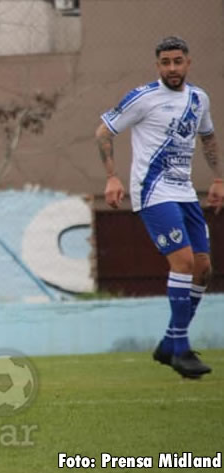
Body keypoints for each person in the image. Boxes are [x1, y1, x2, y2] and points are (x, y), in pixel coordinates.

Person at [96, 36, 222, 379]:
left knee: (203, 269)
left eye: (177, 61)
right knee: (182, 262)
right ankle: (180, 348)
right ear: (158, 66)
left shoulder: (199, 99)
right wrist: (112, 177)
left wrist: (218, 179)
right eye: (165, 62)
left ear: (188, 63)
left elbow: (208, 136)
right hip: (152, 191)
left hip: (184, 192)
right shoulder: (143, 98)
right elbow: (103, 132)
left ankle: (169, 342)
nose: (172, 68)